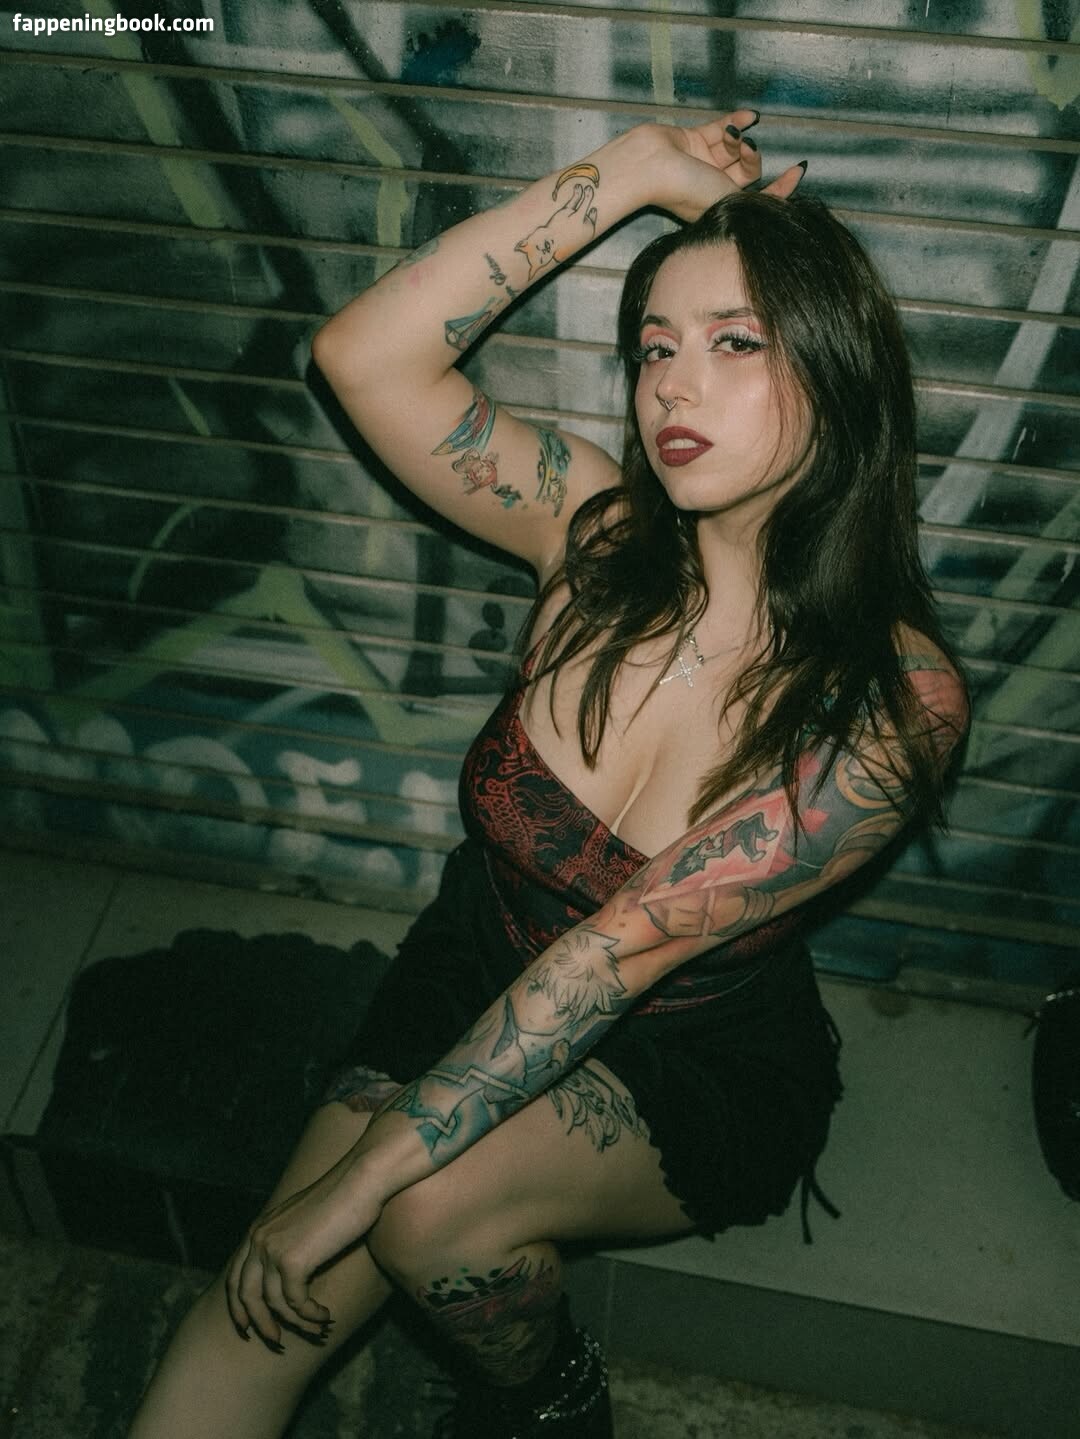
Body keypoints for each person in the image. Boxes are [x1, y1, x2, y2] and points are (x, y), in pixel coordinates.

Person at [128, 111, 967, 1439]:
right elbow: (363, 355)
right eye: (655, 348)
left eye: (735, 342)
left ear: (838, 368)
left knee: (418, 1212)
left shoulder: (888, 701)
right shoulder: (593, 534)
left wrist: (348, 1189)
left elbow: (617, 957)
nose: (673, 387)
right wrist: (633, 173)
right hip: (473, 970)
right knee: (230, 1347)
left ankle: (548, 1396)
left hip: (683, 1059)